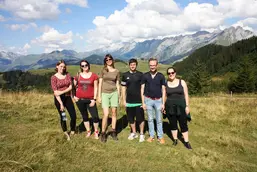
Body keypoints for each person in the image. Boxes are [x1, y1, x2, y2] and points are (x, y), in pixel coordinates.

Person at [164, 67, 192, 149]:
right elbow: (164, 96)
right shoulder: (166, 83)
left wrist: (187, 106)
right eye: (169, 73)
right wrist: (164, 107)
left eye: (172, 72)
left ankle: (186, 142)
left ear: (175, 73)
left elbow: (186, 94)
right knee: (173, 124)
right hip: (170, 107)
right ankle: (175, 140)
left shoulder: (182, 82)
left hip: (181, 106)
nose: (171, 74)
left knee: (183, 124)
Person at [141, 58, 166, 144]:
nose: (152, 67)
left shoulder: (161, 76)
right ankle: (151, 136)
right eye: (151, 65)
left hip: (158, 100)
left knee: (159, 120)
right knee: (150, 119)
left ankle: (160, 136)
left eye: (154, 65)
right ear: (149, 65)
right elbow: (142, 89)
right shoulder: (145, 76)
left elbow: (163, 90)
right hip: (148, 100)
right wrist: (143, 102)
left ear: (157, 65)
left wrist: (163, 103)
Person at [51, 60, 76, 141]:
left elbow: (71, 87)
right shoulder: (53, 78)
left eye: (64, 66)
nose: (62, 68)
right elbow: (55, 92)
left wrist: (61, 91)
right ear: (57, 66)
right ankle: (65, 132)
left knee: (73, 115)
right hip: (59, 100)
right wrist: (61, 104)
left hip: (68, 97)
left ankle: (72, 130)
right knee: (63, 117)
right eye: (61, 66)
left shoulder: (67, 75)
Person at [73, 60, 100, 139]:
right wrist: (74, 96)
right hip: (80, 99)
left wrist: (94, 99)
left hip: (90, 99)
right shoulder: (78, 75)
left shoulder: (94, 75)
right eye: (82, 65)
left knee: (95, 116)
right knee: (85, 116)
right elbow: (73, 86)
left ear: (89, 65)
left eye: (86, 65)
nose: (84, 67)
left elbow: (96, 88)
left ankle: (96, 131)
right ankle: (88, 131)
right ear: (81, 67)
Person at [121, 58, 145, 142]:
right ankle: (134, 132)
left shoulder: (141, 75)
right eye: (131, 65)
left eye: (134, 65)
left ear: (136, 65)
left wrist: (143, 101)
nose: (132, 66)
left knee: (140, 118)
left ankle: (142, 134)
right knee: (130, 118)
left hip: (139, 101)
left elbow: (143, 88)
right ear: (129, 65)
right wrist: (124, 100)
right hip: (129, 101)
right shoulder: (124, 75)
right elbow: (123, 89)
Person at [98, 54, 120, 143]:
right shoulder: (103, 70)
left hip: (114, 92)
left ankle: (113, 131)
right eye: (106, 60)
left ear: (112, 60)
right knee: (106, 114)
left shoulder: (117, 71)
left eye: (110, 59)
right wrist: (99, 96)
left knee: (114, 112)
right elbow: (100, 83)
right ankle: (103, 133)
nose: (108, 61)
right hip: (105, 93)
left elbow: (117, 83)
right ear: (105, 61)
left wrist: (119, 95)